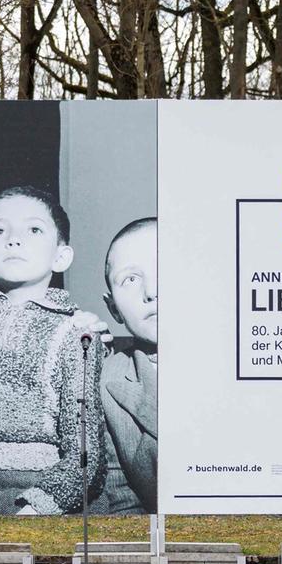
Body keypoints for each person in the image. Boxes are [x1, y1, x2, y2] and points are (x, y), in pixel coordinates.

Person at [0, 185, 104, 514]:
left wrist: (43, 503)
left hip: (37, 487)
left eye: (34, 229)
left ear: (61, 256)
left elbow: (85, 448)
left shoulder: (76, 332)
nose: (13, 239)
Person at [96, 217, 158, 513]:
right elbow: (122, 503)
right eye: (130, 279)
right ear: (114, 310)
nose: (152, 291)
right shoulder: (106, 381)